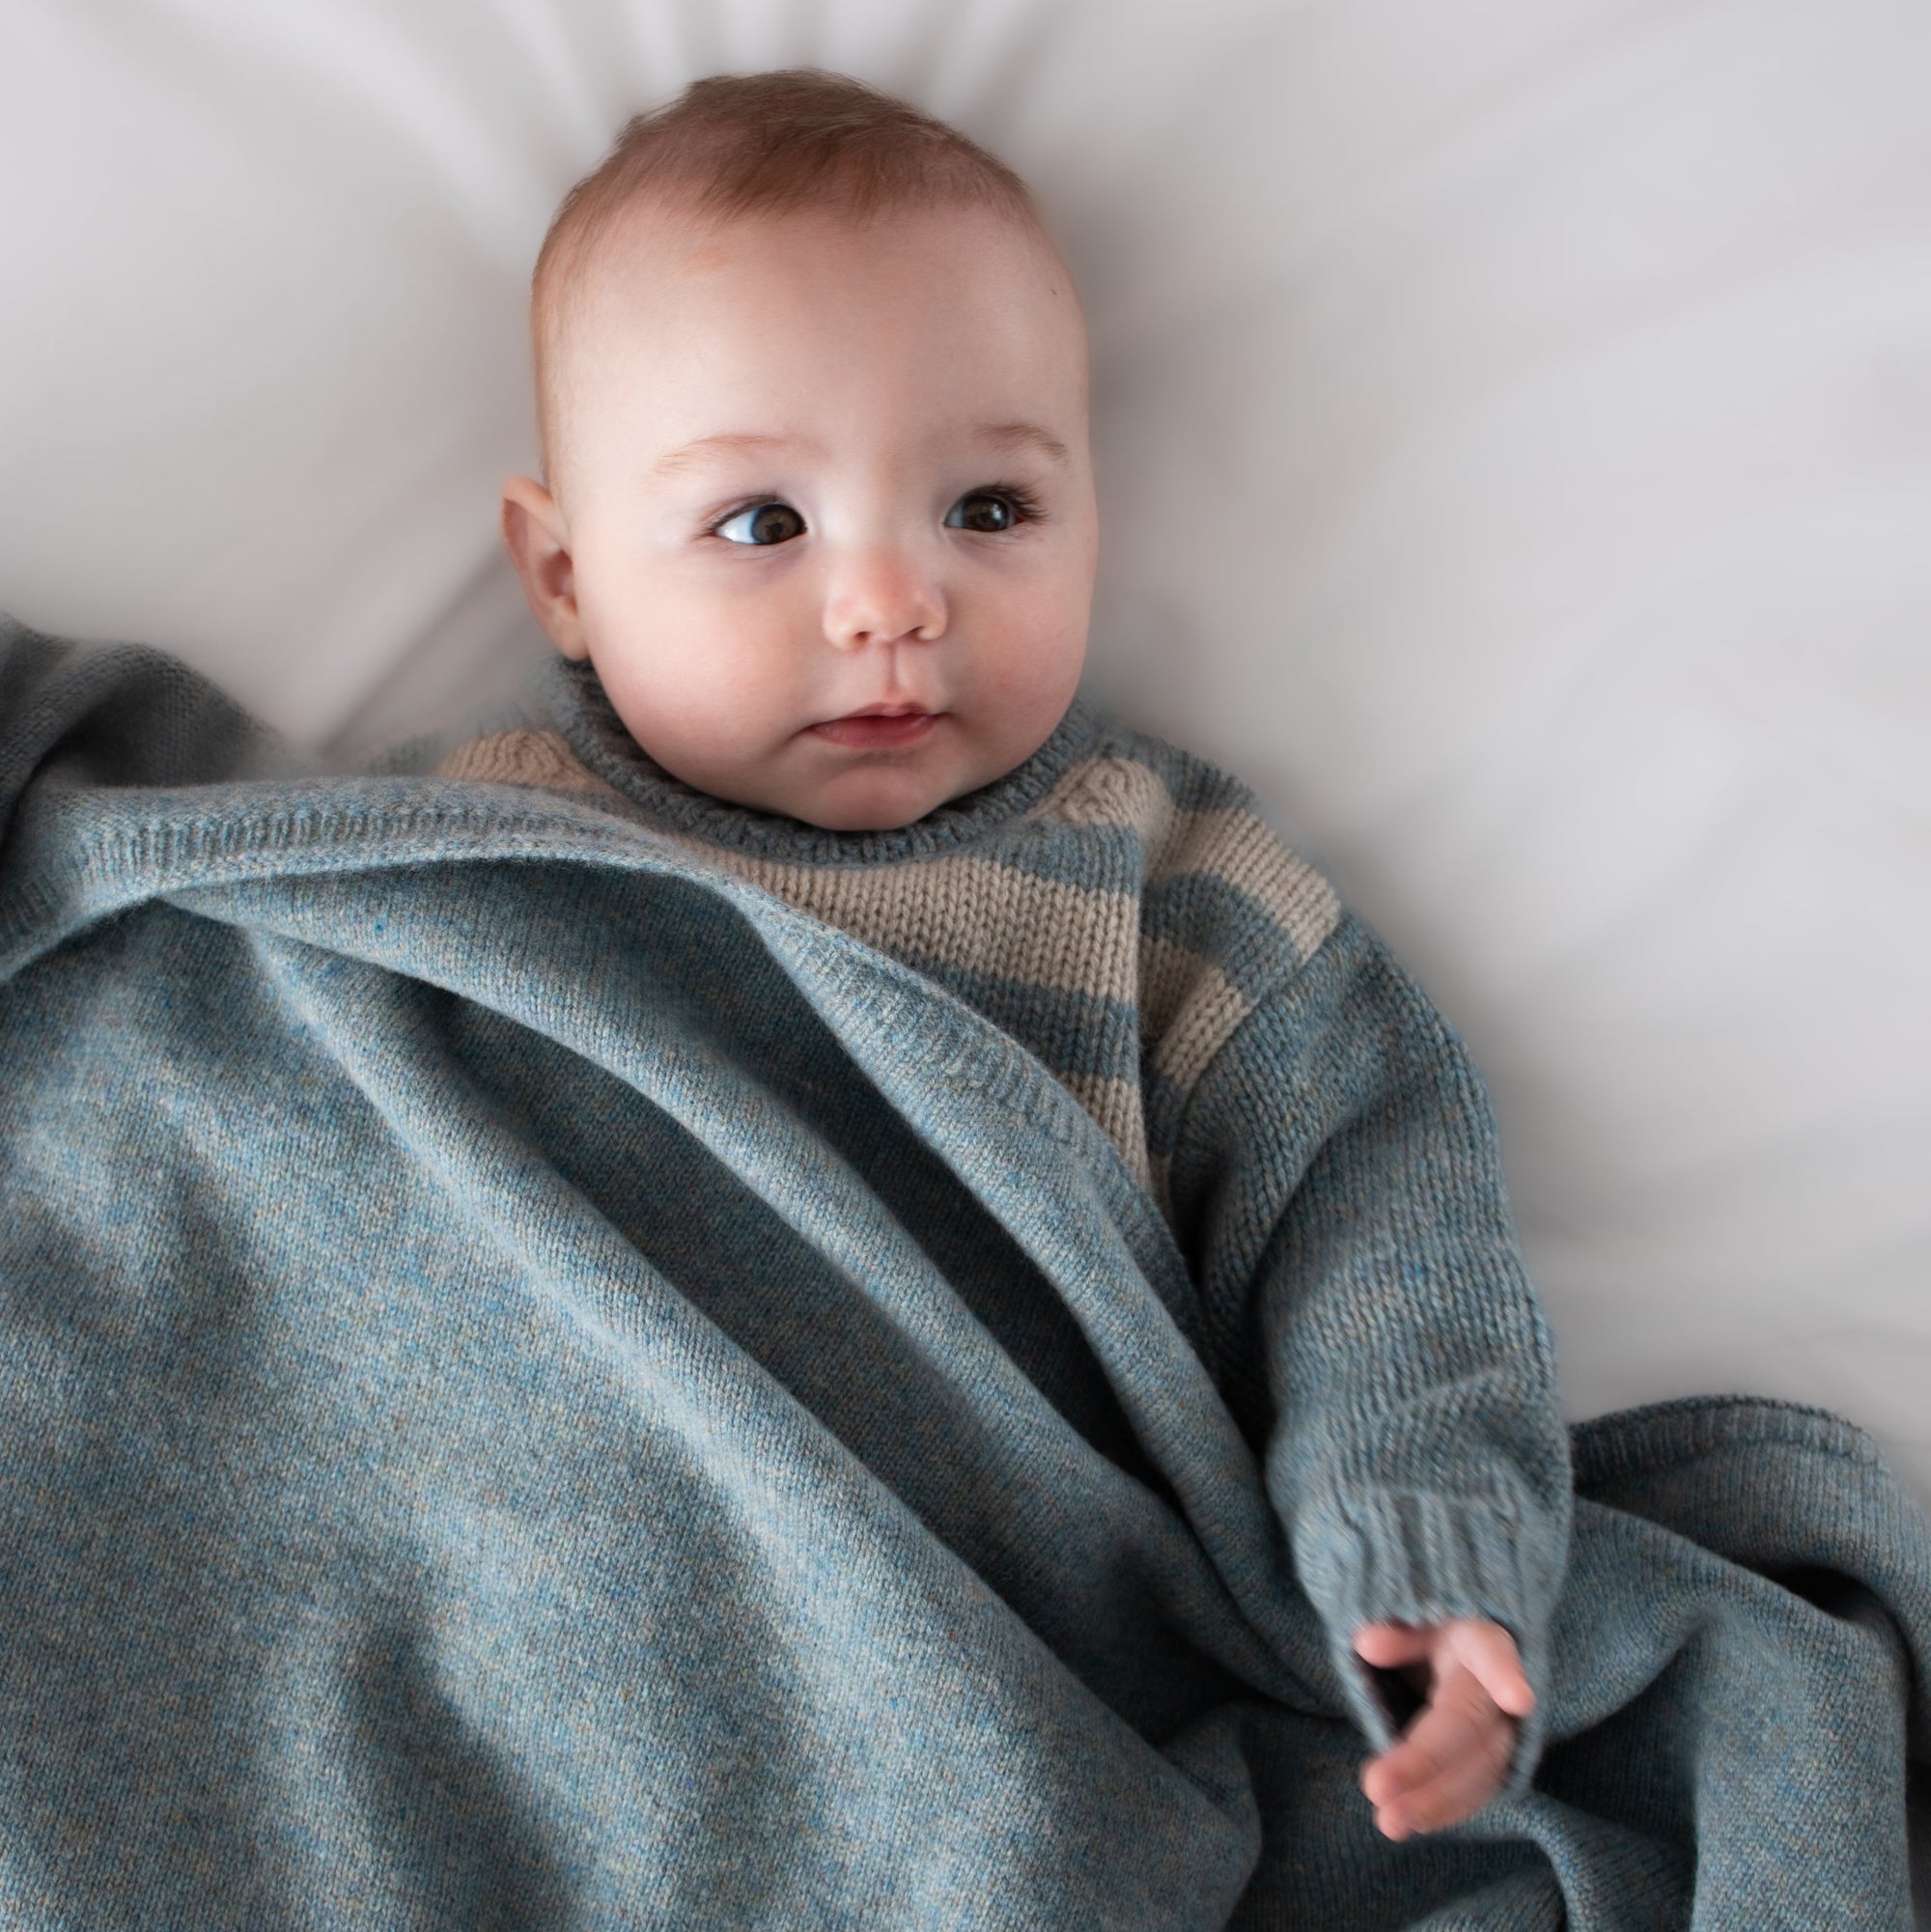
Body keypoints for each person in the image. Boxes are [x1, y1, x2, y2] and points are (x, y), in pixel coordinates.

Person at [472, 66, 1568, 1846]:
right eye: (764, 524)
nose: (890, 599)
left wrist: (1425, 1544)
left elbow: (1384, 1233)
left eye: (987, 509)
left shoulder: (1175, 894)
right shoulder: (464, 863)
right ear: (566, 575)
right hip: (545, 1589)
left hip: (993, 1651)